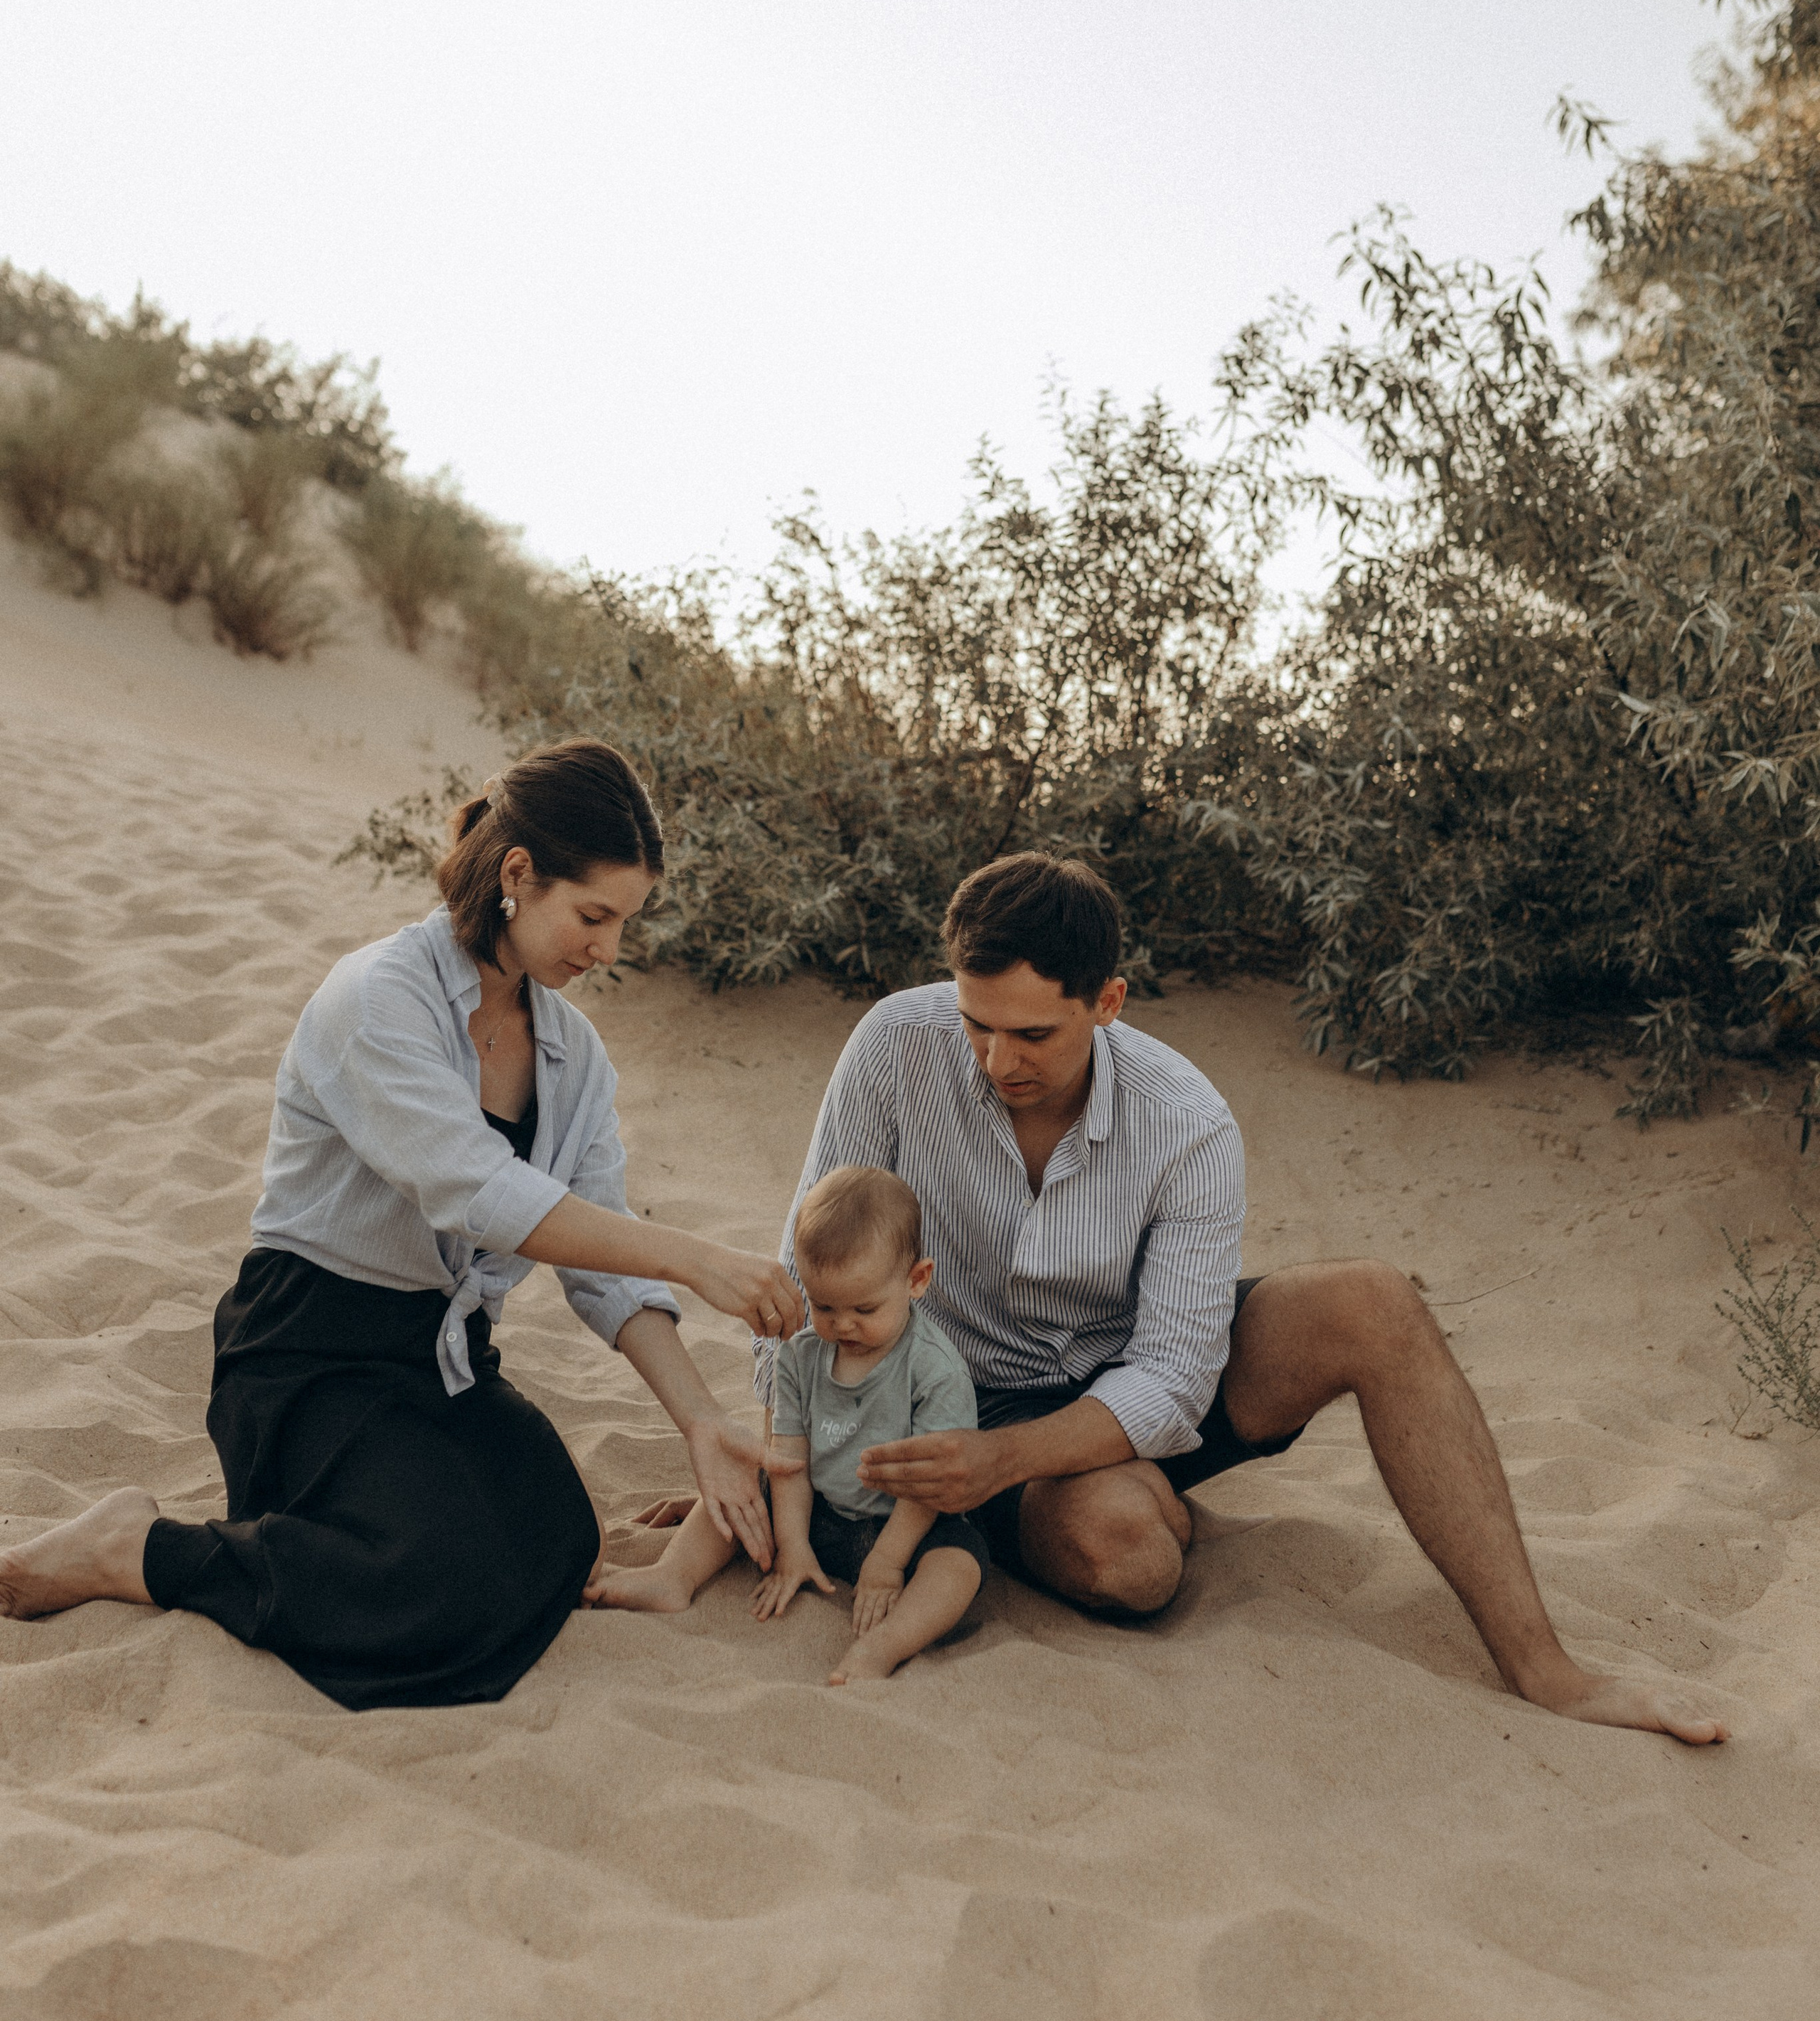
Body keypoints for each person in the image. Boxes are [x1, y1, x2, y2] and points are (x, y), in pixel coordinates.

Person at [720, 851, 1722, 1745]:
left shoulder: (1185, 1118)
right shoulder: (894, 1046)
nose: (995, 1061)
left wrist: (1002, 1461)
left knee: (1376, 1303)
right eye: (975, 1023)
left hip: (1122, 1377)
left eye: (1032, 1033)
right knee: (1133, 1561)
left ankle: (1548, 1671)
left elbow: (1175, 1374)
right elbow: (807, 1277)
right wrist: (798, 1453)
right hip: (932, 1387)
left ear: (1107, 1002)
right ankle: (1034, 1519)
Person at [0, 740, 803, 1709]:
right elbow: (477, 1192)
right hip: (309, 1351)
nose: (608, 950)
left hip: (445, 1362)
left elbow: (604, 1268)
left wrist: (702, 1424)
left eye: (626, 923)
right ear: (518, 876)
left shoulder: (575, 1057)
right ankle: (133, 1549)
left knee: (556, 1539)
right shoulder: (379, 998)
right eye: (594, 916)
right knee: (436, 1581)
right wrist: (700, 1261)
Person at [596, 1165, 986, 1685]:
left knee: (962, 1564)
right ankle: (673, 1577)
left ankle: (882, 1649)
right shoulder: (800, 1355)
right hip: (816, 1512)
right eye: (824, 1305)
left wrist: (889, 1562)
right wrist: (793, 1544)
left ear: (916, 1281)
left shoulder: (936, 1368)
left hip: (906, 1525)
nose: (842, 1324)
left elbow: (930, 1487)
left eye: (865, 1308)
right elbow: (788, 1459)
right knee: (744, 1482)